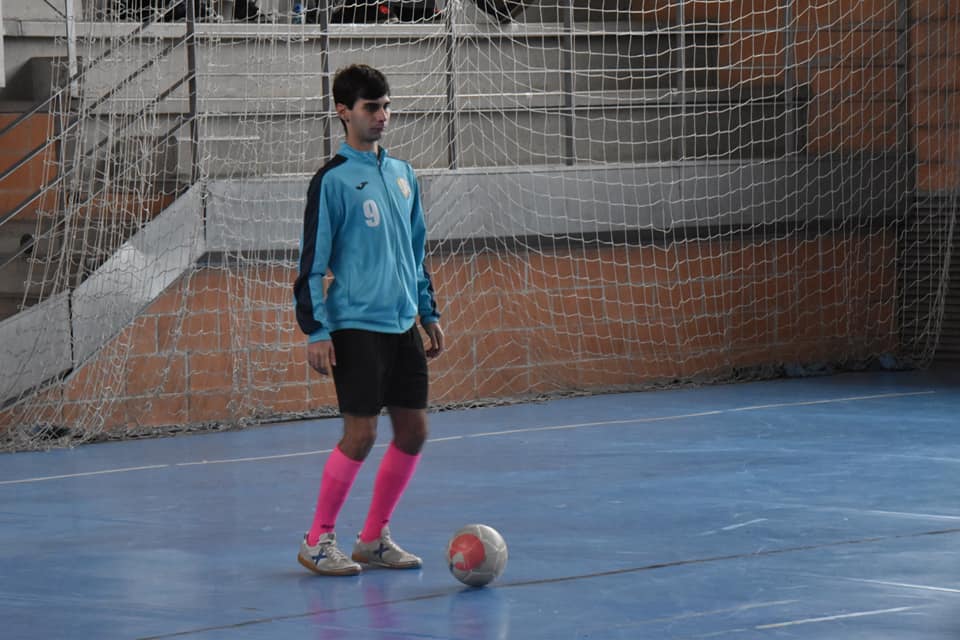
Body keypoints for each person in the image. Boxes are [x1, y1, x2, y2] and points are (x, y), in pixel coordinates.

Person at [293, 64, 445, 576]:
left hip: (402, 323)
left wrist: (427, 312)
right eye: (371, 107)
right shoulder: (332, 181)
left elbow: (415, 251)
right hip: (355, 325)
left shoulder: (403, 174)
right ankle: (317, 539)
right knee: (360, 435)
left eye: (386, 106)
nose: (382, 116)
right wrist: (316, 329)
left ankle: (373, 538)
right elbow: (312, 263)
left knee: (413, 431)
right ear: (344, 112)